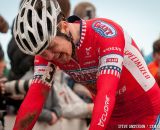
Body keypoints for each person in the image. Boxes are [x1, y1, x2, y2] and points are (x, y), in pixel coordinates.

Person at [13, 0, 160, 130]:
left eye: (52, 47)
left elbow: (106, 92)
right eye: (43, 53)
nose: (50, 56)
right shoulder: (47, 53)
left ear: (64, 27)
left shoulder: (103, 33)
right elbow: (34, 99)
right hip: (111, 117)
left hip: (145, 113)